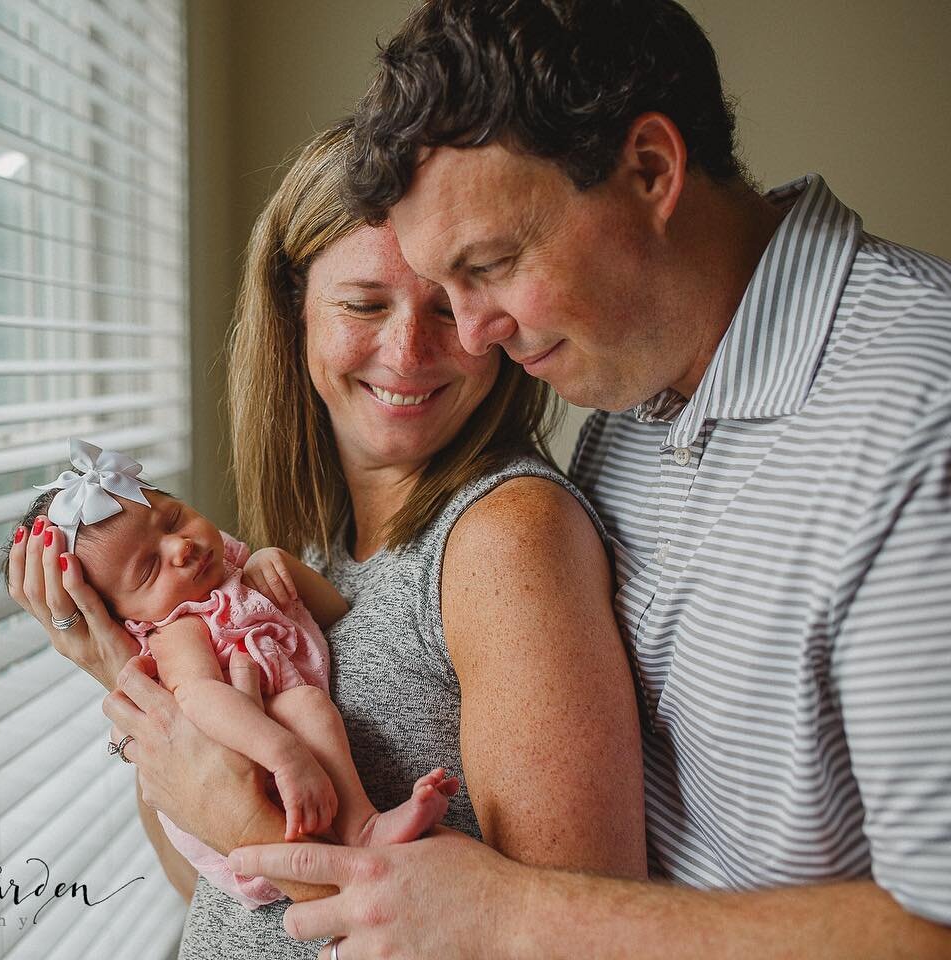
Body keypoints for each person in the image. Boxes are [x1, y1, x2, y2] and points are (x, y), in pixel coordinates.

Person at [218, 1, 951, 957]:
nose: (470, 337)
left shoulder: (917, 417)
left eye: (490, 266)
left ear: (650, 171)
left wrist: (509, 913)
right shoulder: (631, 399)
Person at [6, 122, 647, 958]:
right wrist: (127, 672)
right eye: (363, 304)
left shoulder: (504, 539)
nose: (409, 352)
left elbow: (569, 945)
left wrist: (252, 821)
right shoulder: (311, 551)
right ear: (294, 310)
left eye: (447, 304)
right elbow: (214, 890)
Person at [2, 440, 460, 911]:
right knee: (302, 708)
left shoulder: (234, 573)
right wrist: (282, 754)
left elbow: (335, 615)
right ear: (124, 619)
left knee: (307, 706)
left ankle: (364, 827)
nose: (179, 547)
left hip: (266, 783)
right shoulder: (178, 629)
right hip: (244, 774)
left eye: (173, 519)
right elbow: (200, 698)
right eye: (147, 568)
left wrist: (278, 568)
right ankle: (354, 832)